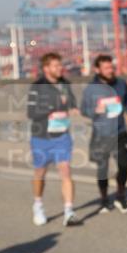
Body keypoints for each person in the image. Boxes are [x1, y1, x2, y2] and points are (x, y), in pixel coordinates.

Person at [27, 52, 79, 227]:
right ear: (46, 68)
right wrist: (51, 109)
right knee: (40, 173)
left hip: (62, 135)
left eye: (60, 65)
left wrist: (73, 109)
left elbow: (72, 103)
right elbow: (31, 113)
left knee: (65, 171)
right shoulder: (37, 87)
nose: (60, 68)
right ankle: (38, 205)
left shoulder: (65, 84)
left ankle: (69, 211)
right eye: (56, 66)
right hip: (41, 137)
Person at [81, 54, 127, 214]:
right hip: (101, 135)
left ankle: (120, 196)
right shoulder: (91, 89)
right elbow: (84, 109)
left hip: (120, 132)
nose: (110, 70)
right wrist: (95, 111)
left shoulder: (121, 83)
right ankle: (104, 199)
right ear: (97, 70)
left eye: (111, 67)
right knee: (102, 169)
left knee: (124, 166)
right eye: (106, 68)